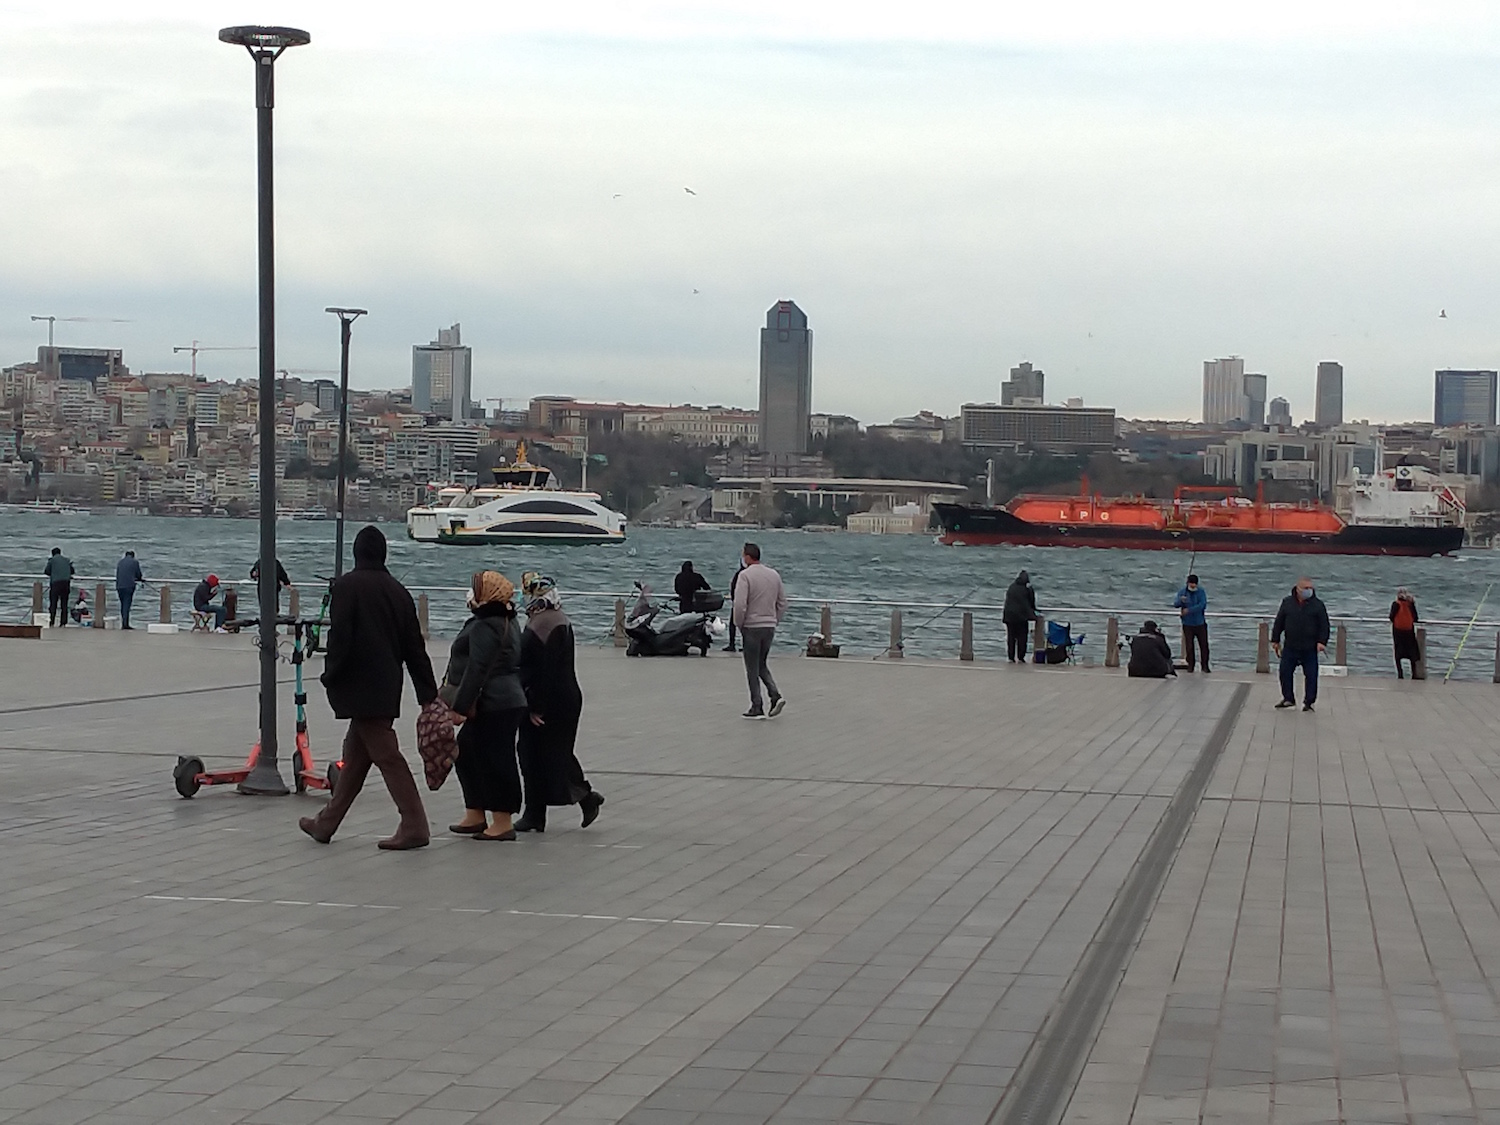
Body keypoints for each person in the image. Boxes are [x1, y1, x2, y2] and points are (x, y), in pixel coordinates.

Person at [300, 525, 438, 850]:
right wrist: (428, 695)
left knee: (387, 755)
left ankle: (415, 824)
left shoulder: (347, 587)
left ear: (356, 553)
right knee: (356, 756)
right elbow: (414, 648)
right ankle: (326, 823)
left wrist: (330, 674)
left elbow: (340, 639)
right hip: (388, 686)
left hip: (359, 687)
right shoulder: (398, 591)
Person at [514, 572, 604, 833]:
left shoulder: (545, 624)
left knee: (540, 754)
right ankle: (538, 812)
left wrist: (535, 706)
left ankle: (543, 811)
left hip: (552, 701)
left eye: (529, 593)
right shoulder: (552, 619)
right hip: (561, 698)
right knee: (549, 754)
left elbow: (547, 670)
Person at [442, 571, 528, 842]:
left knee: (496, 759)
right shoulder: (506, 620)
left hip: (495, 702)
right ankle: (475, 811)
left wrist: (459, 706)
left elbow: (477, 669)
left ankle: (502, 820)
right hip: (505, 699)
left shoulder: (486, 625)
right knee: (466, 751)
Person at [732, 542, 787, 719]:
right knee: (761, 663)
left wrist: (739, 624)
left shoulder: (745, 576)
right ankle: (774, 694)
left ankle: (757, 705)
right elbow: (782, 603)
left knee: (752, 667)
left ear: (747, 557)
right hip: (769, 625)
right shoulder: (774, 575)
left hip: (752, 626)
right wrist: (774, 619)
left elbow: (740, 604)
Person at [1271, 576, 1330, 712]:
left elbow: (1324, 625)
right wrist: (1275, 639)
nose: (1309, 591)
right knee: (1285, 672)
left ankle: (1309, 702)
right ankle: (1288, 699)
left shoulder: (1318, 605)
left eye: (1311, 588)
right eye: (1305, 588)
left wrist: (1322, 642)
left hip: (1310, 647)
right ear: (1297, 589)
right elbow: (1279, 621)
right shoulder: (1287, 603)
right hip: (1291, 645)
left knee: (1311, 675)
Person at [1173, 573, 1210, 673]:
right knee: (1189, 646)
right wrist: (1181, 601)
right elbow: (1175, 604)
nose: (1193, 586)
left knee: (1204, 645)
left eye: (1194, 584)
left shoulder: (1201, 592)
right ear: (1188, 583)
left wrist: (1189, 610)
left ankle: (1205, 666)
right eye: (1191, 584)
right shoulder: (1183, 592)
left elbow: (1202, 605)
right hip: (1187, 623)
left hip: (1200, 623)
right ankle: (1191, 665)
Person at [1002, 570, 1038, 663]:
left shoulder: (1011, 587)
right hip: (1021, 617)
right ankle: (1021, 657)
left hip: (1009, 616)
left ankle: (1011, 657)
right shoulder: (1026, 589)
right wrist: (1034, 614)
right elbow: (1030, 603)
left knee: (1011, 638)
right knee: (1022, 638)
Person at [1390, 587, 1420, 679]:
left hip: (1398, 631)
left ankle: (1400, 674)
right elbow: (1415, 618)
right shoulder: (1410, 604)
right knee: (1412, 653)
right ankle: (1414, 673)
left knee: (1398, 653)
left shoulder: (1396, 604)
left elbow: (1391, 617)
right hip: (1409, 631)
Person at [44, 547, 73, 628]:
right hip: (66, 584)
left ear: (52, 553)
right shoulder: (67, 560)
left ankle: (52, 622)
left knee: (53, 604)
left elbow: (47, 571)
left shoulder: (51, 561)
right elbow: (72, 571)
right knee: (64, 604)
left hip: (56, 584)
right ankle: (63, 623)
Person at [115, 550, 144, 630]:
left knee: (122, 604)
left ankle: (123, 622)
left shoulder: (120, 562)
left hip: (119, 586)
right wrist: (140, 579)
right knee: (127, 605)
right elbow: (138, 574)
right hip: (128, 586)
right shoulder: (134, 562)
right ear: (133, 556)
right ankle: (125, 624)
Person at [724, 559, 746, 652]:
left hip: (737, 602)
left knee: (733, 624)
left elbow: (733, 588)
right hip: (744, 603)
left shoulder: (740, 575)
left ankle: (732, 644)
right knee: (745, 626)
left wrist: (734, 599)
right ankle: (745, 645)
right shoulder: (746, 575)